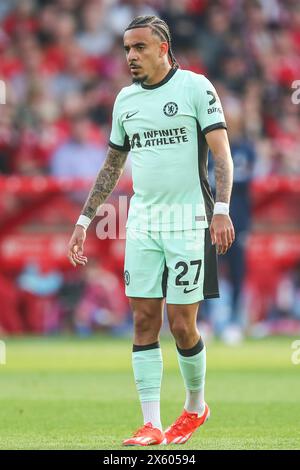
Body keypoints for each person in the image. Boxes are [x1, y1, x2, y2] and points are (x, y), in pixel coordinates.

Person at [68, 15, 235, 447]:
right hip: (142, 223)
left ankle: (195, 407)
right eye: (126, 49)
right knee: (143, 321)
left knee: (182, 325)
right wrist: (85, 220)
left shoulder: (196, 88)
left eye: (139, 48)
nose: (131, 57)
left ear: (163, 48)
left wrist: (222, 209)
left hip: (189, 222)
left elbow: (222, 154)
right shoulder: (125, 101)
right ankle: (151, 424)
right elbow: (111, 165)